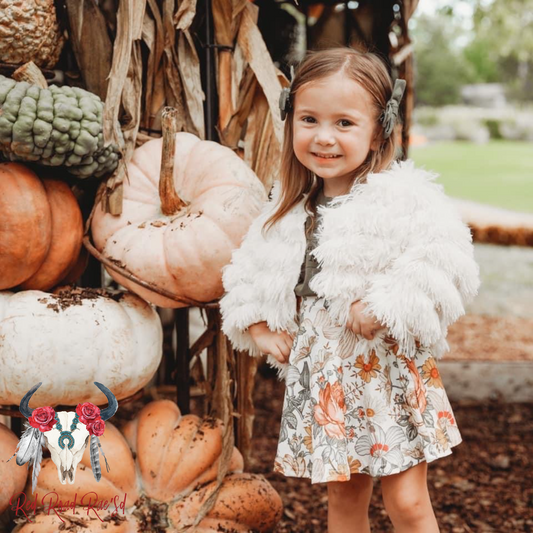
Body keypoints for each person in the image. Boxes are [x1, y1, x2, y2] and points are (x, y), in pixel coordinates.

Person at [219, 47, 480, 533]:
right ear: (290, 119)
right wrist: (256, 322)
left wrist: (388, 304)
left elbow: (445, 260)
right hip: (327, 377)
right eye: (310, 119)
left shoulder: (402, 198)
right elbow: (247, 272)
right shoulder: (287, 208)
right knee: (343, 497)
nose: (323, 137)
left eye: (344, 123)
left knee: (406, 501)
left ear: (379, 129)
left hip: (386, 371)